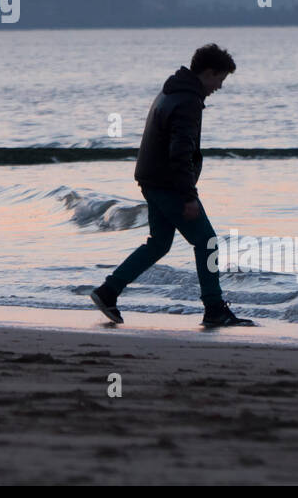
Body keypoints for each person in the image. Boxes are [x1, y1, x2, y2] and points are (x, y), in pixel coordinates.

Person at [90, 43, 253, 327]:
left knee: (159, 244)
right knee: (208, 242)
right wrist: (189, 196)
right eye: (220, 79)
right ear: (208, 72)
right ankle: (214, 308)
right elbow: (180, 152)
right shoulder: (187, 101)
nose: (219, 87)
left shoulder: (172, 90)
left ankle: (108, 291)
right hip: (168, 184)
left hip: (152, 179)